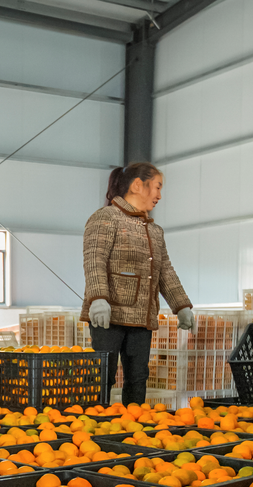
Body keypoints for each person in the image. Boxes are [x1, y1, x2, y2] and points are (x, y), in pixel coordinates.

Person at [81, 162, 194, 404]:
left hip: (142, 315)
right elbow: (94, 260)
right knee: (104, 376)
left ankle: (133, 426)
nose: (159, 196)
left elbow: (165, 270)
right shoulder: (105, 217)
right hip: (109, 314)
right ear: (136, 185)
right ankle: (96, 424)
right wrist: (98, 298)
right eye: (156, 187)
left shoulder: (155, 231)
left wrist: (181, 304)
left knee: (138, 376)